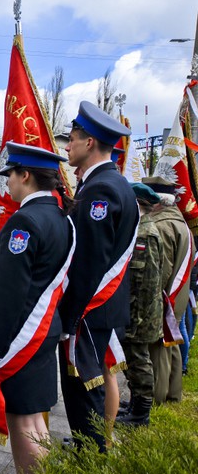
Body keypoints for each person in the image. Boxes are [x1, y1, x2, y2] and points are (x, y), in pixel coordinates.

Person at [0, 142, 75, 474]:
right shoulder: (60, 218)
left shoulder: (25, 223)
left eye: (10, 175)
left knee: (23, 422)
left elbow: (12, 293)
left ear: (25, 176)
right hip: (44, 331)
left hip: (22, 339)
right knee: (36, 422)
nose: (8, 184)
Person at [58, 101, 139, 452]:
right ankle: (97, 449)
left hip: (91, 312)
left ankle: (89, 464)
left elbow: (88, 262)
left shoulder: (100, 190)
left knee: (85, 391)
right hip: (105, 309)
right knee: (99, 384)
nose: (66, 147)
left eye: (72, 140)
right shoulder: (114, 183)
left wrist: (67, 317)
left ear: (89, 142)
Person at [142, 175, 193, 404]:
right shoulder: (179, 222)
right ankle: (172, 393)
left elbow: (159, 269)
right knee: (171, 342)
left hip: (163, 294)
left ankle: (156, 397)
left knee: (158, 347)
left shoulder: (162, 225)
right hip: (177, 293)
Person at [116, 183, 162, 427]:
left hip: (140, 314)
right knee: (133, 360)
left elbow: (146, 282)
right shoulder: (137, 230)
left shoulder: (145, 235)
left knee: (139, 361)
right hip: (135, 311)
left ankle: (141, 413)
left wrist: (136, 318)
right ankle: (135, 402)